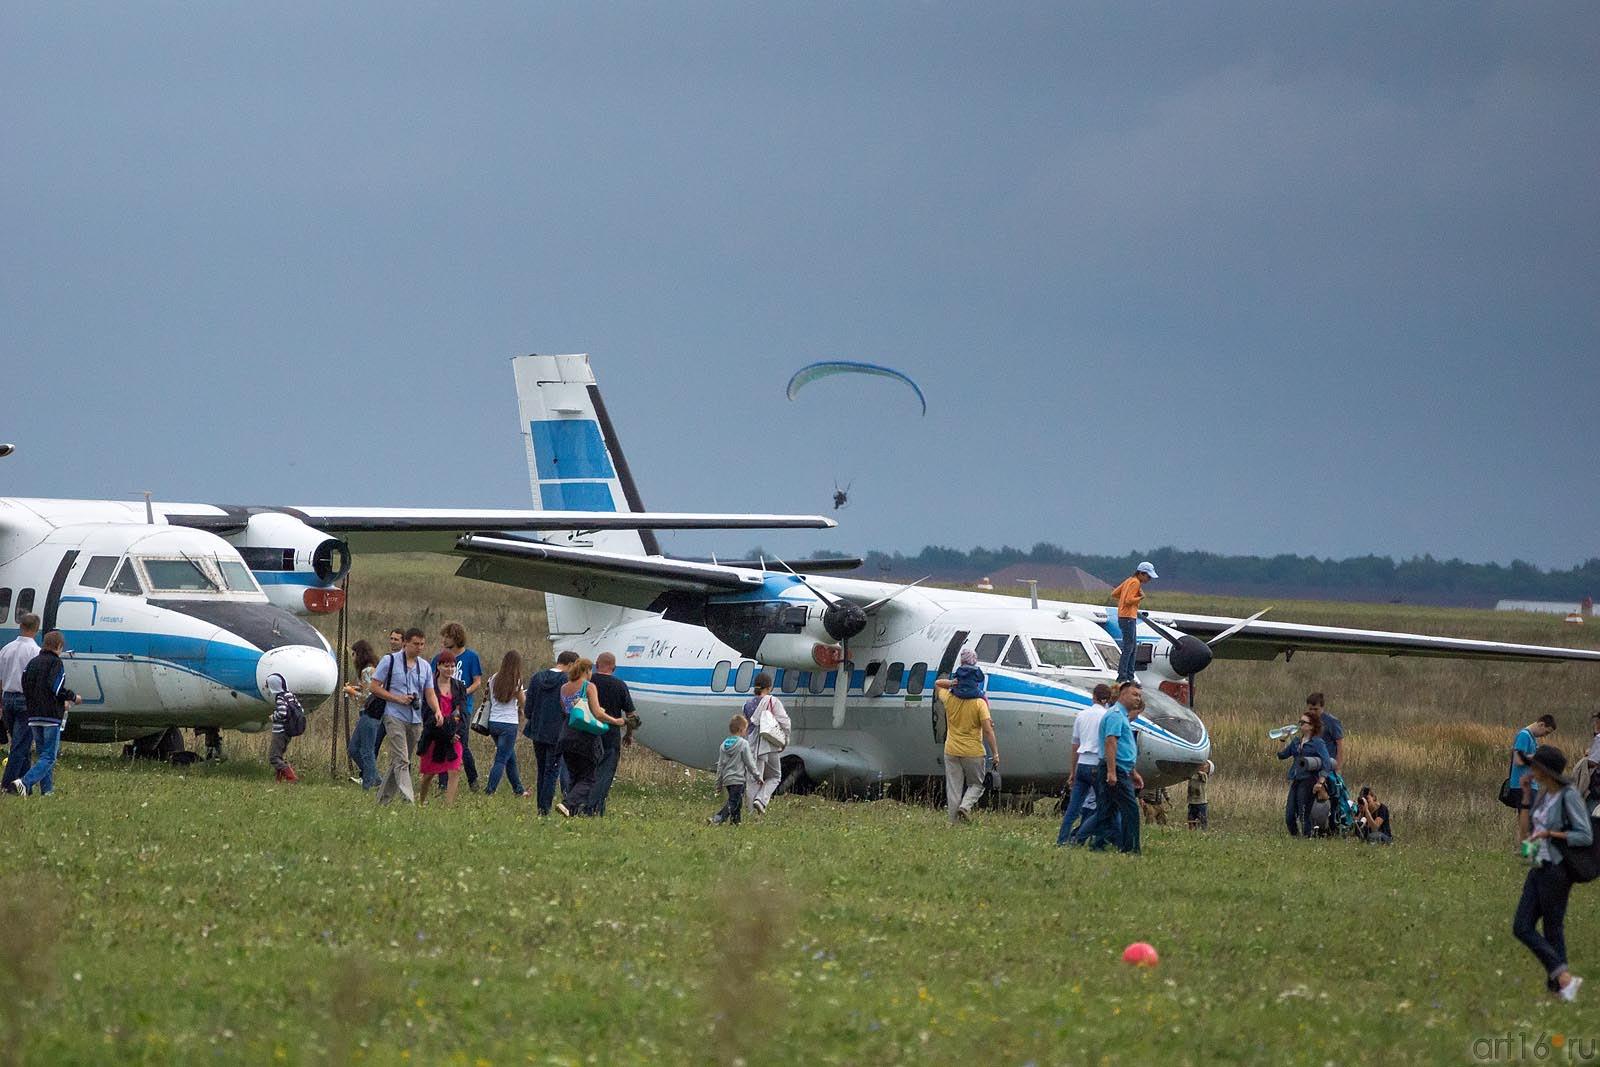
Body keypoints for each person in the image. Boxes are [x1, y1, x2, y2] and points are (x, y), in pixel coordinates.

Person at [1512, 745, 1591, 1002]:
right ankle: (1564, 981)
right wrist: (1526, 798)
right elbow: (1525, 834)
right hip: (1537, 865)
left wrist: (1550, 834)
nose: (1530, 769)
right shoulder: (1543, 795)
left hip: (1557, 869)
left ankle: (1560, 988)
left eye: (1534, 765)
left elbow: (1584, 835)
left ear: (1546, 770)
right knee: (1522, 926)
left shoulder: (1568, 795)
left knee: (1552, 928)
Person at [369, 627, 439, 805]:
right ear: (405, 643)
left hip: (415, 719)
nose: (420, 647)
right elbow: (374, 687)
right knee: (402, 759)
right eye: (416, 644)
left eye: (422, 644)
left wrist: (437, 710)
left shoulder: (424, 666)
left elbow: (429, 693)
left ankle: (382, 801)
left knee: (398, 762)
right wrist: (397, 698)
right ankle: (409, 800)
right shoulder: (389, 661)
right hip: (394, 715)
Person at [7, 631, 81, 797]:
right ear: (59, 647)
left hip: (33, 716)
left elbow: (24, 684)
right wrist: (72, 697)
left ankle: (47, 791)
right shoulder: (56, 663)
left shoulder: (32, 663)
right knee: (49, 757)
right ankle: (23, 783)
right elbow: (55, 688)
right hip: (51, 716)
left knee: (42, 755)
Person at [555, 658, 626, 816]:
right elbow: (597, 713)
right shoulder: (588, 686)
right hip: (584, 736)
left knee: (575, 775)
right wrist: (616, 721)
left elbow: (566, 711)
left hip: (566, 734)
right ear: (587, 670)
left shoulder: (564, 687)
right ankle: (567, 803)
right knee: (589, 778)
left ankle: (570, 811)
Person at [1079, 684, 1143, 853]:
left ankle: (1094, 843)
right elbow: (1111, 742)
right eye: (1134, 694)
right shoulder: (1115, 716)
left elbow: (1123, 748)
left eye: (1139, 696)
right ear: (1123, 695)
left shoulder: (1122, 716)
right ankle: (1131, 848)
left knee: (1106, 810)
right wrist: (1112, 771)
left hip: (1122, 768)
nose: (1138, 698)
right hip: (1116, 770)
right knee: (1130, 810)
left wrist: (1133, 772)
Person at [933, 670, 1000, 824]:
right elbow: (988, 730)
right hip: (973, 752)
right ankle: (965, 806)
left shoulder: (949, 698)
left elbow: (937, 684)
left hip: (951, 750)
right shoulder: (979, 703)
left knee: (954, 788)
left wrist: (951, 683)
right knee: (977, 784)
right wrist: (995, 753)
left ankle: (953, 822)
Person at [1057, 683, 1112, 845]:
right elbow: (1109, 743)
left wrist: (1072, 771)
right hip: (1097, 764)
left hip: (1082, 763)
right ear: (1108, 700)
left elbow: (1075, 745)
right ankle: (1089, 839)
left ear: (1093, 697)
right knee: (1102, 806)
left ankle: (1062, 840)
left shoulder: (1081, 715)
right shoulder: (1107, 716)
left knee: (1073, 808)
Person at [525, 651, 578, 815]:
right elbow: (569, 709)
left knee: (542, 770)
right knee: (552, 771)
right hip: (557, 733)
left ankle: (540, 806)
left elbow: (528, 709)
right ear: (570, 664)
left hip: (537, 731)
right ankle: (544, 809)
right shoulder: (566, 682)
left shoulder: (536, 678)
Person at [434, 622, 482, 793]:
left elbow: (477, 681)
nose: (444, 640)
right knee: (442, 742)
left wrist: (463, 693)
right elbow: (432, 681)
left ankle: (473, 780)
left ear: (455, 638)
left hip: (463, 708)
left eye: (447, 636)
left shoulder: (471, 657)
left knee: (461, 743)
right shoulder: (439, 658)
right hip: (443, 707)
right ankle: (442, 784)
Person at [586, 652, 636, 815]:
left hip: (587, 732)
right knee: (605, 774)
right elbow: (631, 716)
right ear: (614, 668)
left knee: (587, 771)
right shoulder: (619, 685)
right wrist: (628, 734)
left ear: (596, 664)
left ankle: (580, 803)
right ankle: (595, 808)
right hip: (611, 735)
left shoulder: (588, 683)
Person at [0, 612, 42, 789]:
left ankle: (25, 785)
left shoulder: (6, 649)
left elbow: (0, 680)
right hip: (26, 700)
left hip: (7, 697)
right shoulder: (35, 652)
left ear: (20, 626)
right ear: (37, 629)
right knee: (20, 745)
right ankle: (7, 785)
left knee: (21, 743)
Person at [418, 650, 464, 805]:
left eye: (452, 666)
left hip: (453, 734)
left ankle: (448, 807)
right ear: (438, 666)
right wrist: (442, 729)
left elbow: (461, 712)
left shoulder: (459, 686)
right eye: (446, 666)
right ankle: (421, 801)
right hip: (434, 733)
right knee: (429, 774)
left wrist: (455, 731)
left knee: (455, 769)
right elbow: (426, 713)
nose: (449, 669)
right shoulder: (429, 686)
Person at [1277, 708, 1333, 837]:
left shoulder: (1317, 743)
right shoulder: (1297, 741)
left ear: (1312, 726)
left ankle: (1307, 838)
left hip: (1309, 781)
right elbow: (1282, 755)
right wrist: (1282, 740)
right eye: (1300, 722)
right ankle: (1296, 837)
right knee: (1290, 815)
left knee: (1304, 813)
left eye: (1303, 722)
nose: (1300, 724)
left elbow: (1326, 762)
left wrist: (1320, 782)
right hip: (1296, 779)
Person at [483, 651, 527, 798]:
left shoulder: (493, 678)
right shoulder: (516, 681)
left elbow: (490, 697)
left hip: (493, 722)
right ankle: (490, 790)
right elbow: (523, 703)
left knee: (510, 757)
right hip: (509, 724)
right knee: (501, 759)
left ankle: (518, 790)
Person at [747, 673, 792, 815]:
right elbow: (785, 722)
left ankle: (751, 813)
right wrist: (785, 739)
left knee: (754, 779)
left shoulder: (748, 704)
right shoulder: (773, 701)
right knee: (775, 776)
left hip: (753, 745)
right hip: (769, 744)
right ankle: (761, 800)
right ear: (769, 687)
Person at [1107, 562, 1157, 684]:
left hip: (1124, 616)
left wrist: (1124, 598)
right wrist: (1140, 597)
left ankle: (1129, 674)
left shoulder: (1129, 580)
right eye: (1148, 576)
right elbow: (1129, 600)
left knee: (1132, 646)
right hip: (1129, 617)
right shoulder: (1135, 582)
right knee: (1129, 647)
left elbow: (1114, 594)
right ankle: (1124, 675)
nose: (1149, 579)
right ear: (1141, 573)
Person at [343, 640, 383, 789]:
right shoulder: (371, 670)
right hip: (367, 714)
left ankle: (369, 783)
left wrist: (351, 691)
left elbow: (367, 696)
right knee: (354, 748)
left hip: (370, 713)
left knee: (366, 750)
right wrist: (357, 688)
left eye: (353, 654)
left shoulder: (368, 671)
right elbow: (367, 689)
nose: (352, 658)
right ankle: (375, 777)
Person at [710, 712, 759, 825]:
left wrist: (718, 783)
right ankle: (718, 818)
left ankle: (736, 823)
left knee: (737, 802)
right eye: (746, 729)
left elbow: (720, 766)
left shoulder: (723, 745)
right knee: (733, 802)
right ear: (741, 730)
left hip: (727, 780)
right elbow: (749, 763)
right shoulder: (743, 744)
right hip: (738, 779)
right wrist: (757, 775)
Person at [1513, 715, 1559, 822]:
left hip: (1531, 785)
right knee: (1529, 822)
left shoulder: (1533, 738)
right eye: (1546, 732)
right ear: (1541, 724)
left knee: (1532, 820)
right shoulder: (1524, 736)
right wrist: (1539, 756)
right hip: (1522, 785)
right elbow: (1518, 760)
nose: (1545, 735)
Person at [266, 673, 303, 782]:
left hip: (280, 731)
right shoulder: (290, 695)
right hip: (288, 731)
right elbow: (301, 710)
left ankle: (291, 777)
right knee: (279, 755)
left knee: (274, 757)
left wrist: (274, 717)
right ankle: (279, 779)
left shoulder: (279, 698)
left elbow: (282, 712)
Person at [1306, 692, 1343, 770]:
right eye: (1310, 709)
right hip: (1312, 764)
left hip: (1328, 764)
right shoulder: (1307, 721)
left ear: (1322, 707)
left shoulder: (1332, 721)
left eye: (1316, 709)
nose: (1312, 712)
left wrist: (1338, 768)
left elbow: (1339, 745)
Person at [1187, 760, 1212, 830]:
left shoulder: (1204, 776)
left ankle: (1203, 831)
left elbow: (1199, 773)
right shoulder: (1193, 775)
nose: (1202, 766)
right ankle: (1192, 832)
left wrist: (1194, 768)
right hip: (1192, 802)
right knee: (1191, 820)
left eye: (1205, 765)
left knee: (1202, 820)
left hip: (1201, 803)